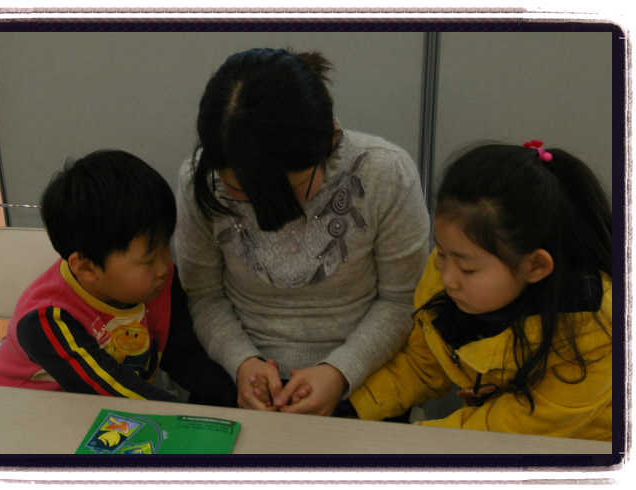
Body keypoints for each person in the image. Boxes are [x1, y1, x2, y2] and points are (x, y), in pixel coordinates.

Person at [174, 48, 430, 416]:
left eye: (289, 191)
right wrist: (243, 363)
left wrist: (340, 372)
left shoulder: (386, 174)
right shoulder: (200, 182)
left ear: (328, 141)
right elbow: (204, 296)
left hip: (361, 377)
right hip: (237, 377)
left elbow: (402, 301)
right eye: (240, 192)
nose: (263, 208)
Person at [348, 140, 612, 440]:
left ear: (534, 265)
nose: (447, 278)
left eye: (467, 269)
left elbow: (507, 431)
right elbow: (422, 363)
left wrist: (400, 442)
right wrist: (350, 406)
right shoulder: (454, 265)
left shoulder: (597, 333)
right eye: (441, 253)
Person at [0, 150, 237, 408]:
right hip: (17, 415)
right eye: (148, 259)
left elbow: (184, 356)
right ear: (86, 268)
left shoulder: (158, 282)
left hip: (94, 413)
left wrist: (239, 394)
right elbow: (113, 391)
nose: (164, 267)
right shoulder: (46, 320)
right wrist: (189, 417)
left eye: (165, 246)